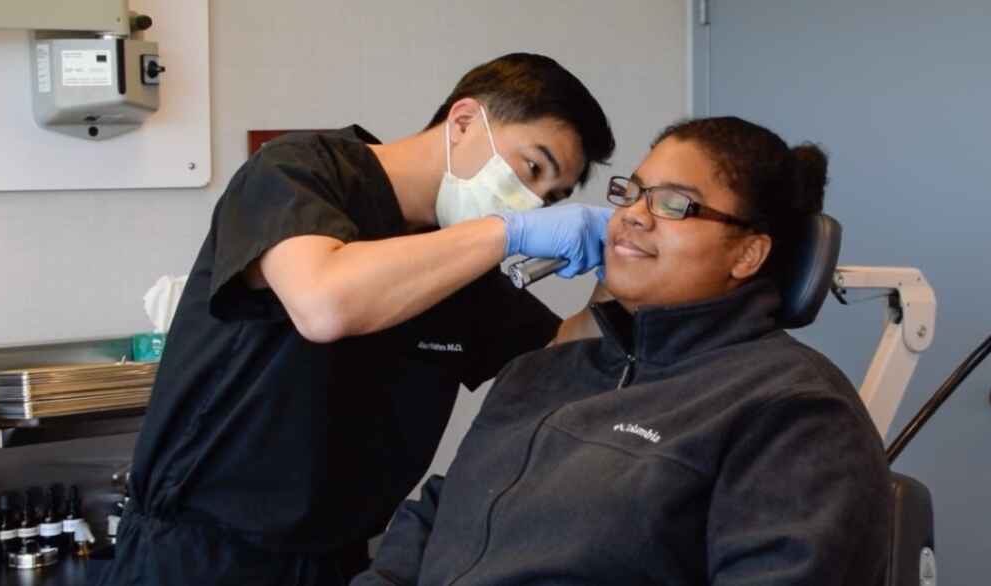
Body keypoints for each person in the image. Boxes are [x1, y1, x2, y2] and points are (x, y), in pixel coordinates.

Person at [95, 53, 615, 586]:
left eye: (549, 200)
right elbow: (324, 302)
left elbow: (562, 357)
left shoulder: (457, 266)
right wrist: (508, 233)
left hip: (341, 561)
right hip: (200, 555)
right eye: (532, 168)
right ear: (463, 121)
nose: (531, 204)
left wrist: (620, 276)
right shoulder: (302, 170)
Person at [353, 116, 892, 586]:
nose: (633, 215)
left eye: (674, 204)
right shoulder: (541, 372)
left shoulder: (795, 412)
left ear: (748, 253)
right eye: (630, 193)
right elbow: (434, 519)